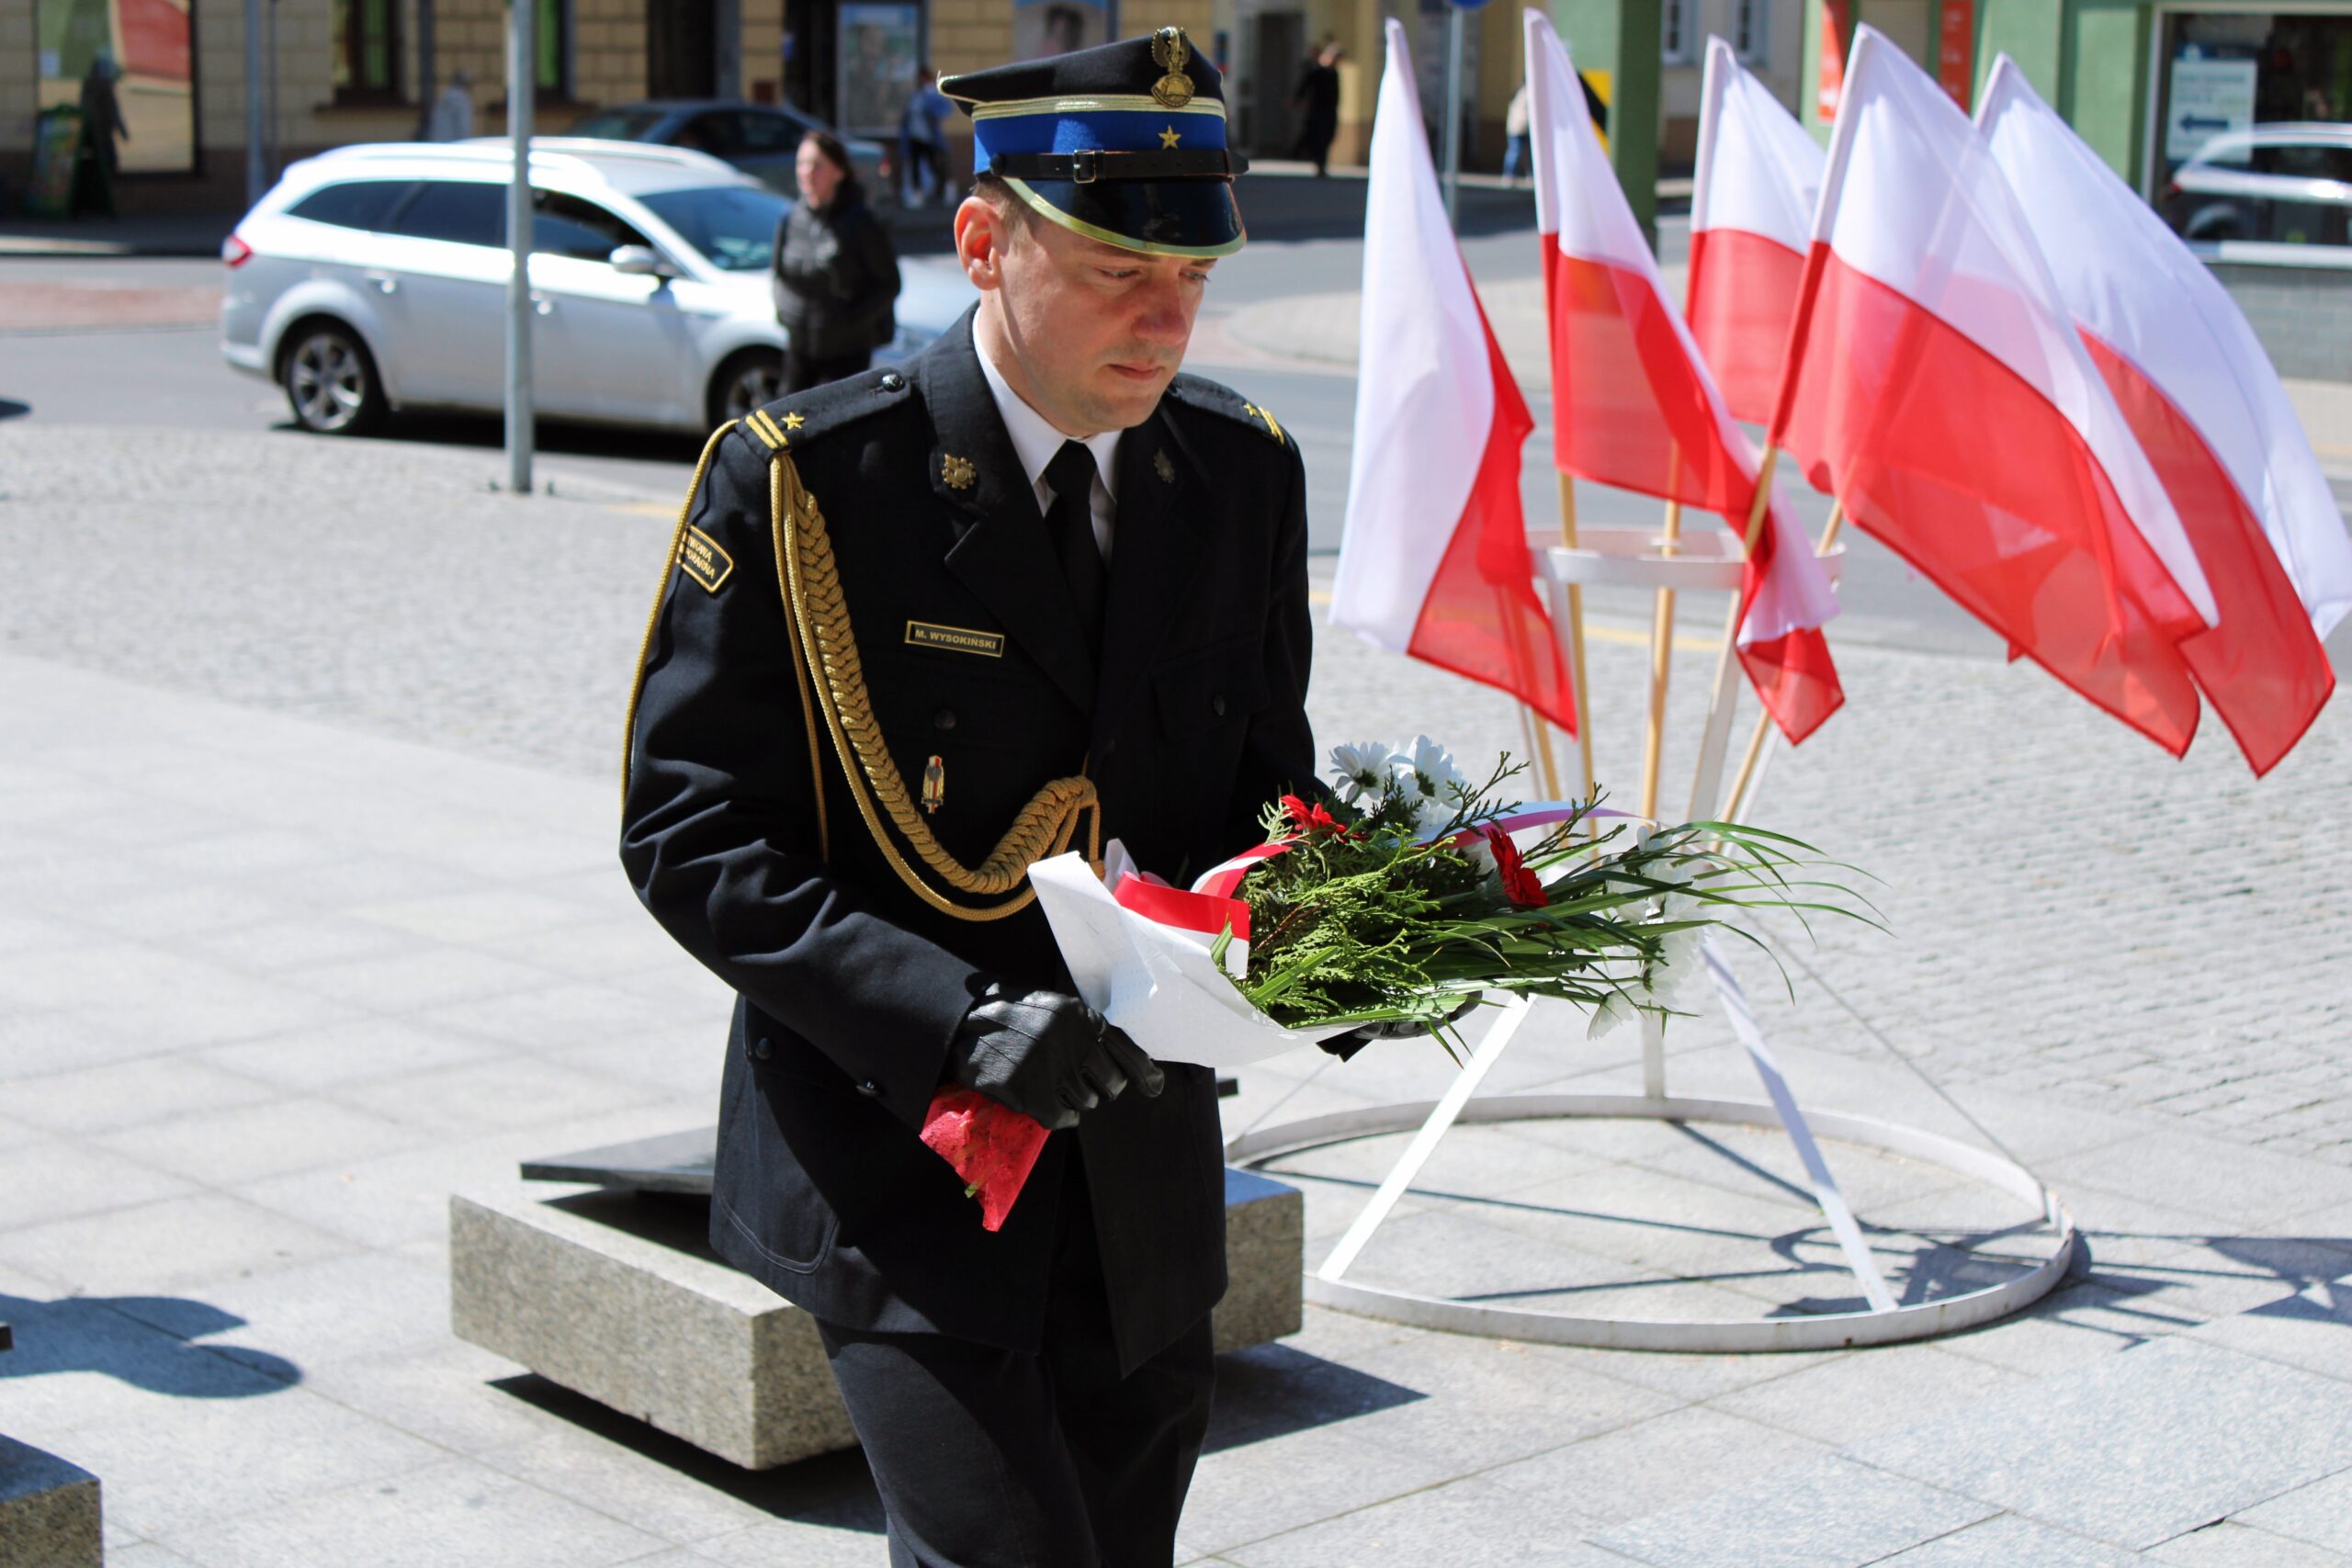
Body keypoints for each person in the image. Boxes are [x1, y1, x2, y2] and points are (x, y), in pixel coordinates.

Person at [620, 26, 1331, 1565]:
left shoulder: (1238, 476)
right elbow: (689, 828)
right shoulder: (815, 482)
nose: (1166, 319)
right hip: (903, 1160)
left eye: (1193, 276)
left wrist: (1359, 940)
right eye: (1118, 270)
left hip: (1142, 1165)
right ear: (983, 244)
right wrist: (955, 1020)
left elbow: (1265, 793)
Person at [770, 129, 900, 393]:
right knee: (789, 415)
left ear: (838, 172)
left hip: (845, 354)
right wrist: (786, 312)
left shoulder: (860, 222)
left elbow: (889, 284)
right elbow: (779, 275)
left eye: (816, 165)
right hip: (799, 348)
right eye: (802, 163)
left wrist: (850, 321)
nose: (807, 172)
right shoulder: (791, 218)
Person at [74, 54, 128, 219]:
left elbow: (84, 107)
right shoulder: (103, 86)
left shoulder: (88, 86)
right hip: (101, 134)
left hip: (90, 134)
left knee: (95, 167)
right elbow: (112, 110)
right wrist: (121, 129)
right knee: (108, 166)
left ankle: (93, 202)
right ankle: (102, 201)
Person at [898, 65, 953, 207]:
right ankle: (918, 194)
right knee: (915, 166)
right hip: (915, 137)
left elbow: (945, 109)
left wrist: (934, 115)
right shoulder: (915, 96)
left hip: (929, 138)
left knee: (935, 164)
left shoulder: (930, 94)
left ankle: (944, 190)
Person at [1288, 42, 1341, 175]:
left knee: (1328, 136)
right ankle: (1318, 163)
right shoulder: (1317, 71)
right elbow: (1304, 86)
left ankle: (1320, 162)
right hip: (1318, 110)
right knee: (1318, 137)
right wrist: (1296, 100)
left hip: (1330, 110)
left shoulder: (1334, 73)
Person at [425, 69, 475, 141]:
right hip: (454, 142)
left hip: (438, 140)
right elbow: (463, 125)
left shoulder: (445, 95)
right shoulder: (462, 99)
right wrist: (466, 142)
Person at [1502, 81, 1532, 183]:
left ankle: (1510, 175)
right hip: (1521, 127)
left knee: (1519, 152)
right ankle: (1510, 175)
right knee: (1516, 152)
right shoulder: (1527, 93)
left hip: (1515, 127)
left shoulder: (1519, 92)